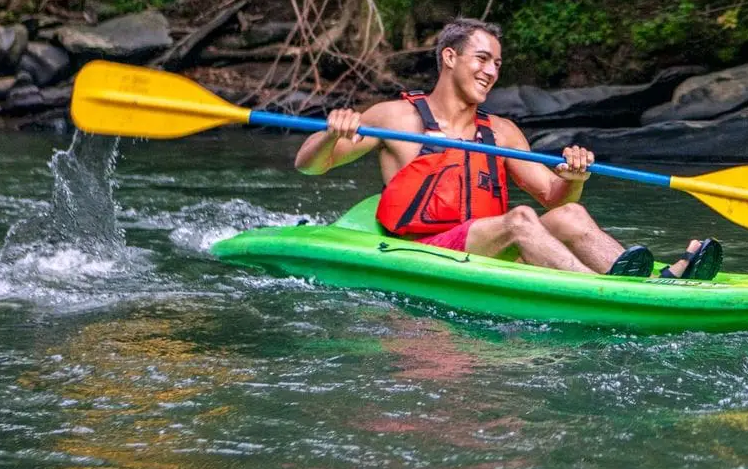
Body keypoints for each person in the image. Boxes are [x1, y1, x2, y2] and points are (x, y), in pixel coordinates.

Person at [293, 17, 722, 279]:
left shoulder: (502, 131)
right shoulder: (396, 118)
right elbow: (311, 166)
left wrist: (573, 178)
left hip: (486, 244)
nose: (491, 70)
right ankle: (604, 289)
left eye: (497, 63)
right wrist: (331, 133)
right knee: (519, 219)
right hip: (427, 248)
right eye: (481, 59)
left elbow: (554, 199)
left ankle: (654, 279)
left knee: (569, 214)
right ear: (449, 57)